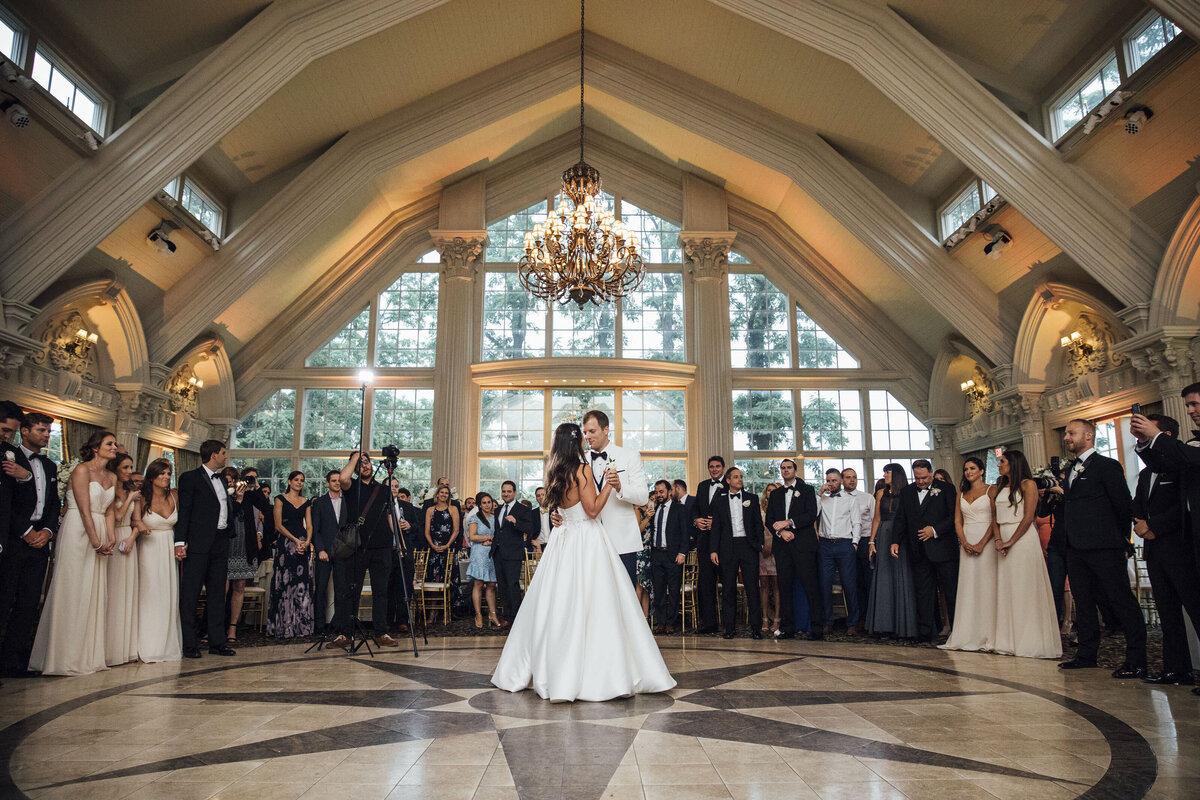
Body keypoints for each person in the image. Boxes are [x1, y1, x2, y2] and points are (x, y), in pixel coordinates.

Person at [491, 422, 675, 701]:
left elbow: (558, 508)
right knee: (599, 602)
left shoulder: (554, 470)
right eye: (584, 435)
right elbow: (591, 511)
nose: (588, 438)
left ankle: (554, 668)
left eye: (592, 432)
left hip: (563, 540)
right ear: (577, 442)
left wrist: (558, 516)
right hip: (587, 540)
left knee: (560, 602)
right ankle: (600, 671)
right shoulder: (582, 468)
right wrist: (610, 488)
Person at [1059, 419, 1145, 677]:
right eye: (1065, 433)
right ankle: (1086, 654)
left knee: (1120, 601)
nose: (1066, 437)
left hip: (1104, 546)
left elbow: (1122, 505)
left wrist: (1121, 541)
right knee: (1084, 603)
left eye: (1071, 433)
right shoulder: (1071, 468)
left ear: (1088, 435)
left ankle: (1136, 659)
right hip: (1075, 547)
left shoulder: (1107, 466)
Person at [30, 430, 119, 675]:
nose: (115, 447)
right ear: (95, 448)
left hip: (101, 528)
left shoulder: (111, 475)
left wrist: (110, 537)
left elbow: (110, 511)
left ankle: (88, 655)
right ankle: (64, 657)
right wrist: (94, 538)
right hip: (79, 530)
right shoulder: (81, 470)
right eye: (109, 444)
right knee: (73, 588)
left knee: (93, 590)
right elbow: (83, 509)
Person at [1130, 413, 1200, 685]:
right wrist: (1138, 522)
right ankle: (1176, 669)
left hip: (1179, 548)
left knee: (1195, 609)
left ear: (1166, 437)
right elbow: (1138, 502)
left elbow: (1182, 508)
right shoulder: (1148, 472)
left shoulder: (1183, 468)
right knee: (1167, 612)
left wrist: (1154, 525)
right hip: (1154, 550)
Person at [0, 410, 60, 677]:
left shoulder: (49, 466)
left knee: (28, 602)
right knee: (5, 599)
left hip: (40, 542)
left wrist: (47, 530)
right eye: (41, 431)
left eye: (48, 432)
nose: (46, 435)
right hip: (14, 540)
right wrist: (25, 531)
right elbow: (6, 502)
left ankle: (14, 662)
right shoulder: (8, 458)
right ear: (24, 431)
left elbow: (53, 503)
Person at [990, 449, 1061, 659]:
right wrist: (998, 539)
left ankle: (1028, 639)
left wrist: (1011, 541)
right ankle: (1008, 639)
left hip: (1022, 539)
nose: (999, 465)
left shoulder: (1028, 484)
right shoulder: (1000, 486)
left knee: (1024, 588)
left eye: (1002, 461)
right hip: (1002, 536)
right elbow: (994, 516)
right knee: (1007, 588)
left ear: (1013, 463)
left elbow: (1029, 516)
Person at [175, 439, 238, 659]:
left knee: (217, 594)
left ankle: (217, 642)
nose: (225, 457)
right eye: (223, 453)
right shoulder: (190, 478)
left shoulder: (221, 479)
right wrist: (180, 542)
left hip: (221, 542)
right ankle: (189, 643)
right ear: (213, 455)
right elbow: (185, 511)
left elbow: (224, 509)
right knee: (191, 595)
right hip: (198, 543)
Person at [330, 452, 400, 649]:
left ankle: (380, 632)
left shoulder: (383, 489)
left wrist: (399, 542)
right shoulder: (352, 487)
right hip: (357, 547)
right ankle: (346, 633)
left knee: (381, 591)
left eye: (367, 462)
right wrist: (356, 456)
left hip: (383, 546)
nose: (365, 466)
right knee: (352, 590)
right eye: (360, 464)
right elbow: (343, 477)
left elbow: (389, 516)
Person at [891, 459, 958, 642]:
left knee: (950, 592)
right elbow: (901, 518)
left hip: (943, 550)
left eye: (925, 477)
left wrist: (934, 530)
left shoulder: (946, 490)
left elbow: (954, 517)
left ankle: (957, 631)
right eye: (917, 478)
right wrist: (895, 541)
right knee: (923, 593)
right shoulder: (907, 491)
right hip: (918, 550)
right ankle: (926, 631)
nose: (920, 481)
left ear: (931, 472)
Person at [940, 457, 996, 653]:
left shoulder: (992, 490)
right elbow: (957, 521)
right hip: (966, 540)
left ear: (981, 471)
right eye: (965, 469)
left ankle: (990, 632)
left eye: (972, 468)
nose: (968, 472)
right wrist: (964, 542)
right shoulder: (960, 493)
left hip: (986, 541)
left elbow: (995, 520)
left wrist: (981, 543)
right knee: (969, 585)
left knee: (987, 584)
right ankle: (968, 632)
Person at [765, 458, 824, 640]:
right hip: (783, 547)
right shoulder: (775, 494)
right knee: (784, 587)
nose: (785, 470)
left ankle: (816, 629)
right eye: (783, 468)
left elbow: (810, 515)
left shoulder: (807, 490)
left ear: (795, 470)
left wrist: (790, 523)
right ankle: (787, 628)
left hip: (803, 546)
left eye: (789, 467)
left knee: (810, 586)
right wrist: (782, 532)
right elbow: (769, 520)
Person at [709, 467, 763, 639]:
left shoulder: (752, 499)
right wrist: (713, 550)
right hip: (727, 547)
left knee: (752, 588)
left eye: (741, 477)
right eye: (736, 477)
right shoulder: (719, 501)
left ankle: (756, 629)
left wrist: (759, 545)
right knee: (728, 589)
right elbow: (716, 528)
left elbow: (757, 524)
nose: (740, 479)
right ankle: (729, 629)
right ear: (728, 480)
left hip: (748, 546)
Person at [865, 463, 918, 639]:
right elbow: (876, 519)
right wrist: (872, 542)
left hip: (901, 535)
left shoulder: (908, 492)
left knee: (902, 577)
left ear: (896, 474)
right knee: (884, 578)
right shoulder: (881, 493)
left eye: (887, 471)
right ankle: (883, 625)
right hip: (883, 534)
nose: (885, 474)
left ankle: (903, 626)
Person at [137, 458, 182, 663]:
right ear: (152, 476)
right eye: (162, 473)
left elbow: (182, 524)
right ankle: (146, 644)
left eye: (168, 474)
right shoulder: (141, 497)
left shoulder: (174, 495)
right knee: (149, 594)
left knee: (167, 594)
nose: (166, 477)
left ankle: (165, 644)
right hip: (148, 549)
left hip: (169, 547)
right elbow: (133, 521)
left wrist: (181, 545)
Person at [105, 452, 143, 666]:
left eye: (131, 467)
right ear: (115, 468)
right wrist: (130, 498)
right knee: (109, 592)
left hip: (127, 541)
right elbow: (117, 516)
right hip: (111, 537)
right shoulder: (110, 488)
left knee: (124, 594)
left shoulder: (134, 491)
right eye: (126, 468)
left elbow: (136, 521)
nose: (130, 472)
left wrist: (131, 538)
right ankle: (106, 647)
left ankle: (122, 647)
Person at [267, 470, 315, 639]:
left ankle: (302, 627)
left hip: (302, 543)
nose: (299, 483)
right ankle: (284, 626)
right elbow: (278, 525)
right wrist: (295, 540)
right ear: (289, 481)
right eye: (296, 480)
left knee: (301, 585)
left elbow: (309, 525)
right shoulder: (279, 499)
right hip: (286, 542)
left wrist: (307, 541)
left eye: (302, 480)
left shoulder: (306, 502)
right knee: (285, 583)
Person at [229, 466, 271, 641]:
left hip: (245, 545)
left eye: (253, 478)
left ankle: (232, 628)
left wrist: (254, 487)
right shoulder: (229, 493)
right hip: (228, 544)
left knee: (240, 587)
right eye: (247, 478)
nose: (249, 481)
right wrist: (238, 494)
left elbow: (265, 506)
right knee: (221, 589)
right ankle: (214, 627)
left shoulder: (252, 495)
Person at [816, 468, 860, 635]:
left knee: (849, 584)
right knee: (825, 584)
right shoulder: (822, 499)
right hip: (825, 545)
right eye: (828, 480)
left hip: (845, 544)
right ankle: (827, 622)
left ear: (840, 481)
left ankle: (852, 623)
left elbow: (856, 522)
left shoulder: (850, 500)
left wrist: (854, 543)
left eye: (834, 480)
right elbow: (813, 513)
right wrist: (820, 494)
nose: (831, 483)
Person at [492, 480, 536, 629]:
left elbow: (529, 528)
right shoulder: (498, 509)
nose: (506, 494)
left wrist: (516, 522)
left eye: (509, 491)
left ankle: (516, 620)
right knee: (502, 587)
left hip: (513, 554)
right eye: (504, 491)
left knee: (512, 586)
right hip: (498, 553)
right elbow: (499, 531)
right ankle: (507, 618)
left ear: (515, 493)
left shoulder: (522, 510)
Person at [648, 479, 689, 634]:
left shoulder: (680, 509)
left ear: (669, 491)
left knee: (673, 591)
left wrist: (682, 553)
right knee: (658, 591)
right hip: (657, 554)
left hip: (673, 555)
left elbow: (686, 533)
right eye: (657, 492)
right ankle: (661, 622)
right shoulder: (654, 509)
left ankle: (670, 622)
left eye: (661, 492)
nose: (659, 495)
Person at [691, 456, 726, 633]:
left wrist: (718, 523)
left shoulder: (729, 486)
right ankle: (709, 624)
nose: (714, 469)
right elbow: (695, 508)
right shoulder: (703, 486)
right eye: (711, 467)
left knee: (727, 583)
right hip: (704, 541)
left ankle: (729, 624)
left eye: (717, 466)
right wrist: (697, 520)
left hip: (723, 543)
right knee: (706, 584)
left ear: (723, 468)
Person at [311, 471, 345, 635]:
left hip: (343, 552)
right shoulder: (320, 502)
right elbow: (315, 529)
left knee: (341, 589)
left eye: (339, 481)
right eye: (333, 481)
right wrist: (320, 549)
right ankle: (319, 624)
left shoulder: (348, 501)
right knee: (321, 588)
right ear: (327, 483)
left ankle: (338, 623)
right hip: (324, 552)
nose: (337, 483)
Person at [842, 468, 875, 634]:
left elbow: (876, 520)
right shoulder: (837, 499)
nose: (852, 480)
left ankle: (871, 619)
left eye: (854, 477)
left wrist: (872, 542)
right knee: (852, 582)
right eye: (848, 477)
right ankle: (857, 619)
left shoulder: (867, 498)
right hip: (846, 541)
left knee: (868, 581)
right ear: (842, 480)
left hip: (865, 541)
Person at [385, 480, 418, 634]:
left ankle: (403, 620)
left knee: (404, 587)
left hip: (405, 551)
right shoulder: (381, 506)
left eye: (396, 486)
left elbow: (418, 526)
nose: (394, 488)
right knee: (387, 588)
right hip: (387, 551)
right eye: (391, 486)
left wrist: (409, 526)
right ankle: (387, 620)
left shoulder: (408, 506)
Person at [424, 485, 460, 623]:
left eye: (446, 493)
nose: (444, 495)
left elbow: (456, 530)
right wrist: (433, 545)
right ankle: (433, 612)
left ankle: (448, 612)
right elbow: (427, 531)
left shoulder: (453, 509)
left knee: (450, 579)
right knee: (434, 580)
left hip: (448, 549)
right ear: (437, 495)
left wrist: (447, 545)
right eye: (442, 492)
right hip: (434, 549)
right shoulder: (430, 510)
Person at [466, 492, 501, 629]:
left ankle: (493, 614)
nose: (487, 505)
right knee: (479, 583)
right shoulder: (475, 518)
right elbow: (472, 537)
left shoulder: (495, 518)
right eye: (484, 502)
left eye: (489, 502)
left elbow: (499, 537)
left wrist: (492, 541)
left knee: (492, 584)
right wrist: (489, 537)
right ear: (479, 505)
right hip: (479, 553)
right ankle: (478, 614)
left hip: (493, 554)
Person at [758, 483, 780, 634]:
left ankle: (777, 619)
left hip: (778, 550)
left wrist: (773, 546)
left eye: (774, 491)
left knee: (777, 587)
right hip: (762, 552)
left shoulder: (781, 509)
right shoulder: (759, 510)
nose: (771, 493)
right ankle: (765, 618)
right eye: (769, 490)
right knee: (764, 586)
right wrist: (762, 547)